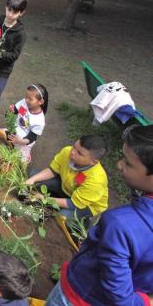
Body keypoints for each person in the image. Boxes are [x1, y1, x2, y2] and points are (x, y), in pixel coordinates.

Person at [45, 125, 153, 306]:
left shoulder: (120, 225)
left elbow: (123, 299)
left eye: (127, 162)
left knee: (65, 216)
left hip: (78, 296)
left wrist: (145, 302)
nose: (119, 165)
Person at [25, 135, 109, 219]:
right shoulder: (67, 151)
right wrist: (32, 179)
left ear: (93, 162)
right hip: (67, 187)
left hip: (85, 205)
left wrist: (44, 198)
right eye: (74, 147)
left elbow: (74, 203)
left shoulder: (96, 180)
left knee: (62, 216)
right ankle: (58, 199)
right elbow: (53, 170)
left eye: (79, 153)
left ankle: (84, 220)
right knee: (33, 175)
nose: (72, 152)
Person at [6, 84, 49, 164]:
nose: (26, 100)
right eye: (26, 96)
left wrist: (19, 141)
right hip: (14, 133)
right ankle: (13, 144)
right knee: (5, 140)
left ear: (40, 102)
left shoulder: (39, 120)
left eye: (30, 99)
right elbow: (18, 111)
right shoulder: (25, 103)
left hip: (24, 142)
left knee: (20, 162)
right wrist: (11, 111)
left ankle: (26, 155)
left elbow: (31, 138)